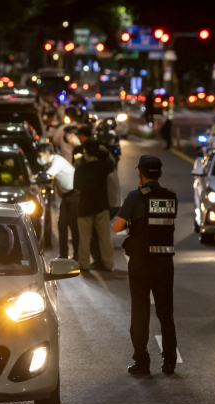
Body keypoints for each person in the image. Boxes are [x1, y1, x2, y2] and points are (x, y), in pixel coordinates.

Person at [113, 155, 178, 376]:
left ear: (140, 174)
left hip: (141, 263)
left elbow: (117, 227)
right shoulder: (170, 197)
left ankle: (142, 362)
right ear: (158, 173)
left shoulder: (134, 197)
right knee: (166, 313)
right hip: (164, 262)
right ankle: (169, 362)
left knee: (140, 312)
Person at [73, 140, 115, 272]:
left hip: (85, 207)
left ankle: (84, 264)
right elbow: (112, 163)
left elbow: (76, 188)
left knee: (84, 238)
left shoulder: (80, 169)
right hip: (101, 206)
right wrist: (105, 150)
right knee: (105, 238)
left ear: (85, 152)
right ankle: (108, 264)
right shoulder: (104, 166)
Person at [38, 149, 78, 259]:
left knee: (73, 226)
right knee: (62, 225)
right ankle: (64, 255)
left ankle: (77, 255)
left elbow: (47, 175)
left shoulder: (57, 161)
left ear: (47, 154)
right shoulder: (52, 163)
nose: (39, 158)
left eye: (40, 155)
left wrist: (35, 178)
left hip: (74, 195)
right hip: (66, 196)